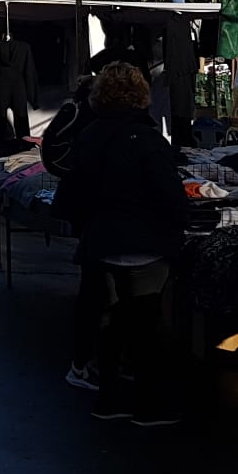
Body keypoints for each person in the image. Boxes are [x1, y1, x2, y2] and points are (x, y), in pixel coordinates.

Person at [50, 62, 188, 426]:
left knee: (110, 323)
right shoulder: (147, 138)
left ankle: (108, 400)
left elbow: (71, 193)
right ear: (141, 95)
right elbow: (169, 195)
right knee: (147, 326)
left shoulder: (90, 135)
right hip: (146, 245)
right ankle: (149, 406)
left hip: (102, 243)